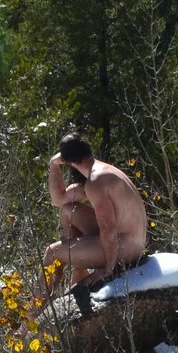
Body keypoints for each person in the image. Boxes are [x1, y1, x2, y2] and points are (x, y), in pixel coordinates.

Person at [42, 131, 149, 310]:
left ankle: (31, 317)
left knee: (52, 252)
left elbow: (108, 228)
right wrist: (53, 165)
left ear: (68, 161)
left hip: (127, 247)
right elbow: (58, 200)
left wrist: (108, 268)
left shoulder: (96, 180)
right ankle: (80, 273)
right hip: (128, 240)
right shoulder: (97, 171)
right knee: (69, 211)